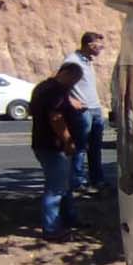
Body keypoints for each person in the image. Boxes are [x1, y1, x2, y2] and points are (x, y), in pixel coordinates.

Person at [29, 63, 85, 238]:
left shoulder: (45, 87)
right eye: (74, 79)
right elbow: (56, 117)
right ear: (65, 73)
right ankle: (51, 229)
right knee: (55, 189)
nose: (74, 84)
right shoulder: (55, 91)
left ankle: (69, 218)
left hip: (46, 144)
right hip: (52, 145)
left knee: (64, 186)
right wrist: (67, 141)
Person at [61, 31, 108, 193]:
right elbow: (60, 83)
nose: (101, 48)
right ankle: (77, 183)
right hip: (82, 111)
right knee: (80, 148)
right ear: (89, 45)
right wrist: (71, 101)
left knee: (95, 148)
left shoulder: (88, 61)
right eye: (99, 45)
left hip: (95, 108)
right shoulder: (72, 61)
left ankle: (97, 180)